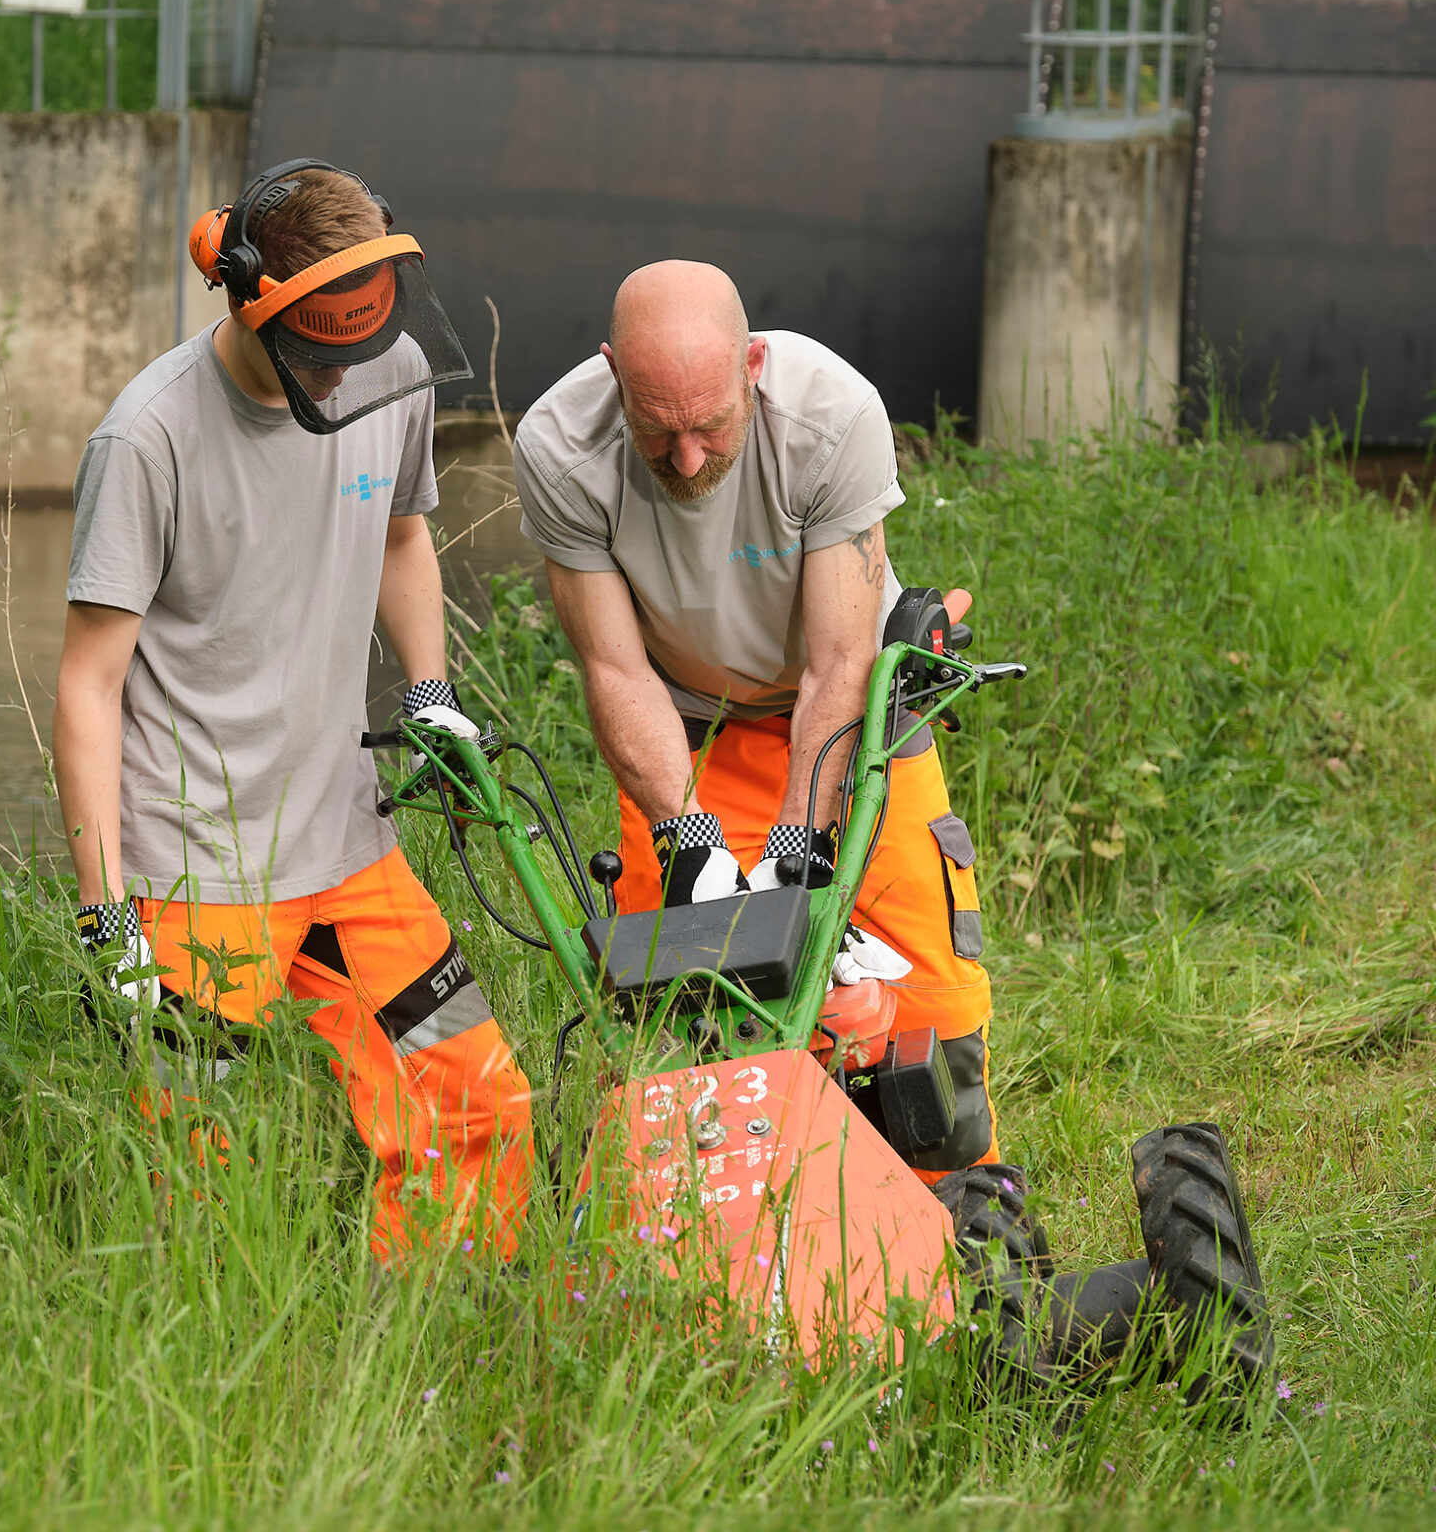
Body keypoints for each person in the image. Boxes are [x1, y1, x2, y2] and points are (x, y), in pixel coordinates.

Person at [52, 159, 531, 1260]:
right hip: (193, 870)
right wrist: (103, 910)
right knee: (192, 1175)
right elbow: (87, 685)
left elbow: (403, 535)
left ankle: (432, 1330)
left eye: (355, 352)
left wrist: (430, 692)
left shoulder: (385, 362)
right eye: (317, 355)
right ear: (246, 299)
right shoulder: (148, 440)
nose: (340, 377)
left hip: (347, 847)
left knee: (477, 1105)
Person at [511, 260, 998, 1179]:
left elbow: (840, 662)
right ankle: (735, 1258)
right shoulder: (557, 448)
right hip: (687, 730)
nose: (687, 459)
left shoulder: (832, 420)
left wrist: (800, 843)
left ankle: (960, 1232)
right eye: (658, 431)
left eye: (710, 426)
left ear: (754, 365)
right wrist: (687, 839)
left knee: (928, 987)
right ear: (612, 374)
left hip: (848, 726)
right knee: (697, 1007)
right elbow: (614, 668)